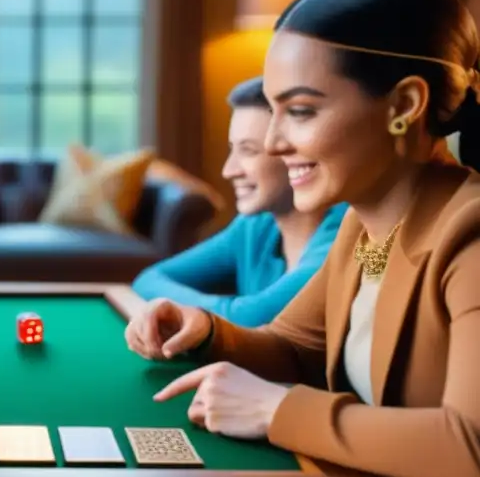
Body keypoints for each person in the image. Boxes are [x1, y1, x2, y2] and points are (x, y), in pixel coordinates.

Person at [127, 0, 480, 477]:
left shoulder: (468, 234)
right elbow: (296, 346)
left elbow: (472, 450)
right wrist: (211, 333)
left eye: (301, 110)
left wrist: (277, 409)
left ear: (404, 103)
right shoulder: (366, 224)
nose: (276, 140)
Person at [132, 76, 347, 326]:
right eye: (232, 149)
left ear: (296, 151)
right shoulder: (254, 225)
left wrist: (182, 310)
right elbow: (148, 280)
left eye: (248, 150)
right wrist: (218, 311)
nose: (229, 170)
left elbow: (249, 319)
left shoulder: (348, 232)